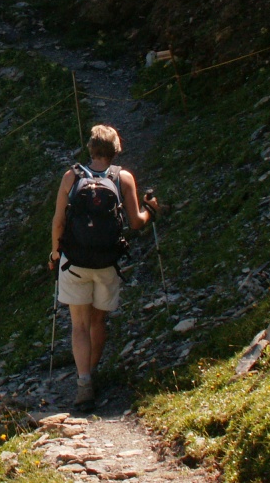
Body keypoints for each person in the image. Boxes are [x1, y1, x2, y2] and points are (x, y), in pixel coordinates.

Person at [48, 124, 160, 406]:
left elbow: (59, 222)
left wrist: (55, 254)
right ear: (115, 149)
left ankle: (83, 383)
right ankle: (93, 372)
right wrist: (151, 210)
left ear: (91, 148)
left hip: (74, 261)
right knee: (98, 321)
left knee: (79, 325)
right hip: (107, 262)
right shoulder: (123, 177)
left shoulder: (71, 176)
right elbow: (136, 222)